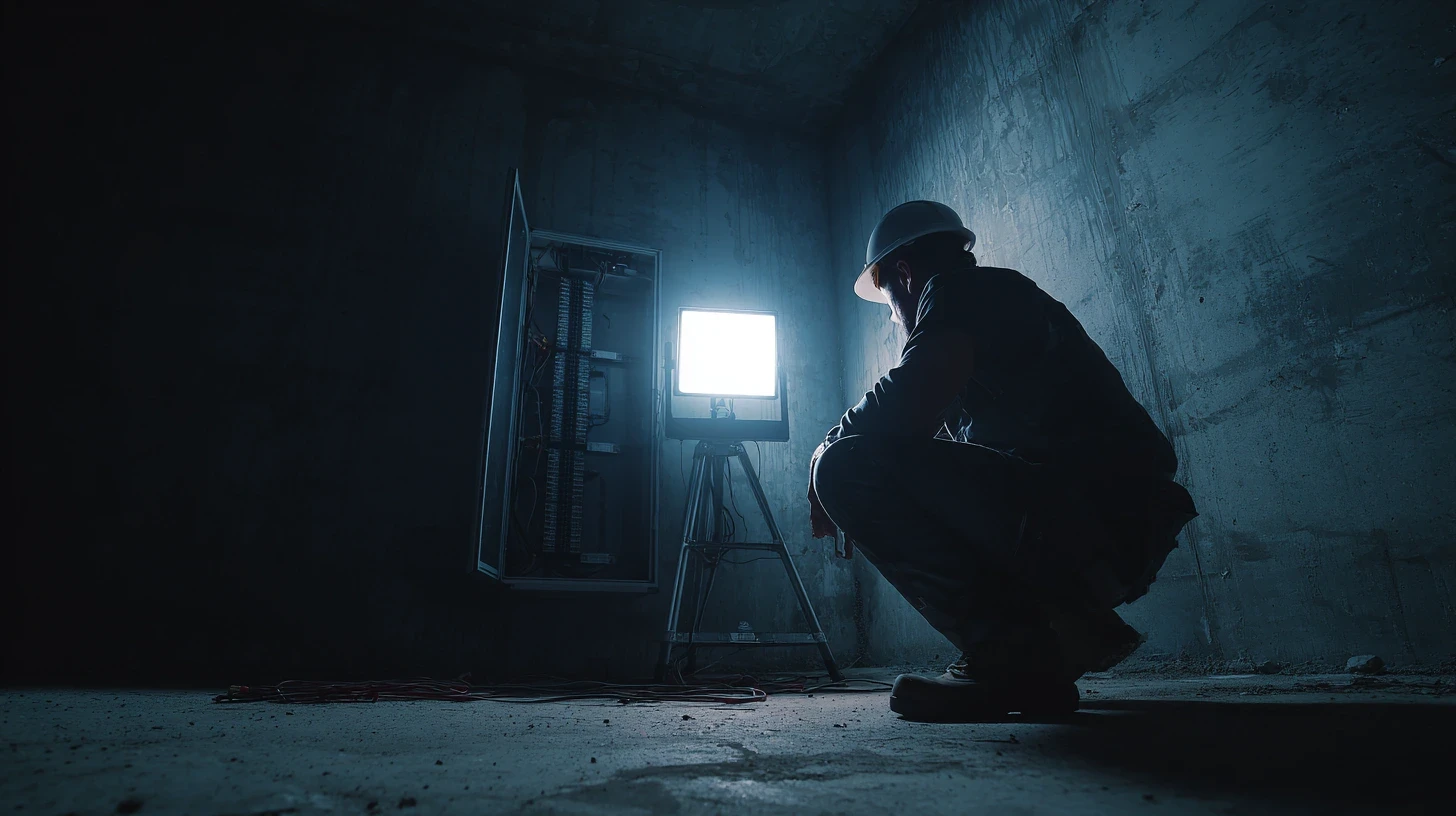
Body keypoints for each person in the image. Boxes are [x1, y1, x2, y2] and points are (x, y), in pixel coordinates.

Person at [809, 201, 1197, 721]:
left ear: (902, 274)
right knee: (888, 469)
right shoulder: (990, 320)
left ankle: (1007, 655)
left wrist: (822, 454)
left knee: (843, 465)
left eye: (888, 302)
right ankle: (1042, 652)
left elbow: (900, 407)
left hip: (1090, 512)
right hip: (1109, 515)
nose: (897, 317)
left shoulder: (962, 292)